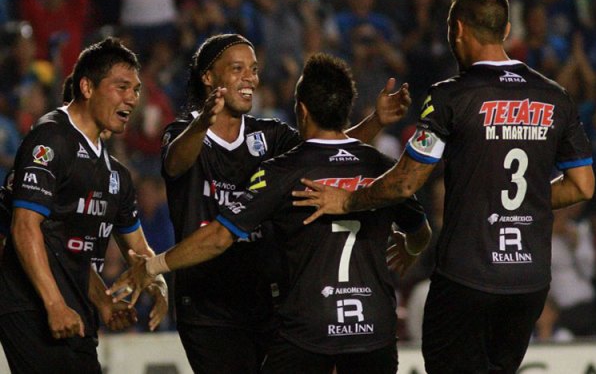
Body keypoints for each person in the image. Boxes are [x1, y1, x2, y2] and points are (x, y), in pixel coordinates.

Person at [292, 0, 595, 373]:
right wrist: (523, 202)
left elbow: (405, 183)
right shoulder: (556, 97)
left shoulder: (451, 96)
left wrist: (348, 201)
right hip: (529, 281)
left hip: (469, 279)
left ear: (457, 30)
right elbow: (583, 185)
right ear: (504, 31)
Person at [109, 52, 432, 373]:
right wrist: (411, 247)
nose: (250, 76)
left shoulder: (284, 170)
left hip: (307, 331)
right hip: (373, 330)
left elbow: (221, 236)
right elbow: (419, 229)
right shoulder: (384, 171)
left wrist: (153, 265)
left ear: (302, 110)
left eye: (253, 68)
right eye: (239, 68)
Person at [0, 37, 168, 374]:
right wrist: (54, 303)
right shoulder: (51, 139)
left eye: (135, 90)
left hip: (76, 312)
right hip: (33, 305)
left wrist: (146, 286)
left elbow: (132, 250)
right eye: (121, 87)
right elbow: (24, 227)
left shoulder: (115, 175)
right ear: (87, 87)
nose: (132, 98)